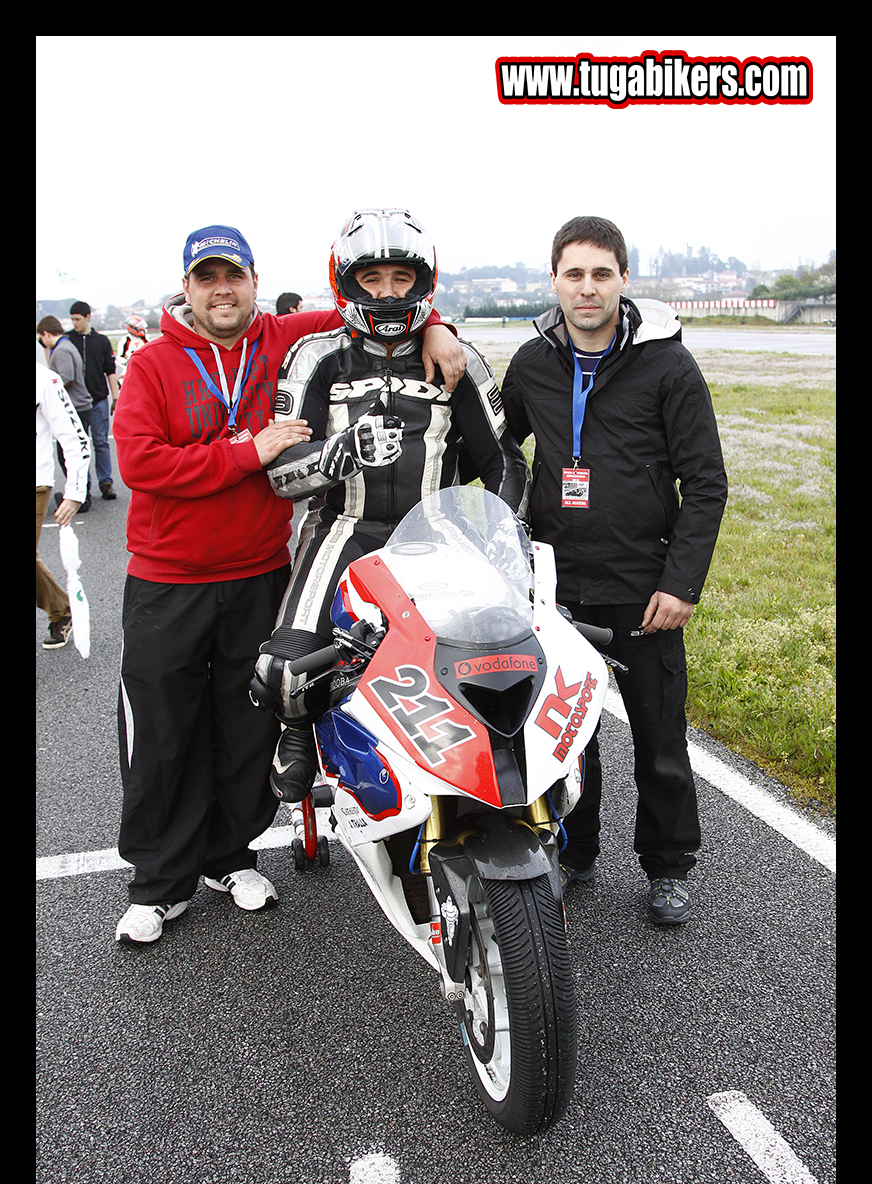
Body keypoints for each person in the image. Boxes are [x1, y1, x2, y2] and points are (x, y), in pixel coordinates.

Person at [111, 223, 466, 945]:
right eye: (206, 279)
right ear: (187, 287)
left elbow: (377, 303)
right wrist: (246, 451)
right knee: (163, 736)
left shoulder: (283, 337)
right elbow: (142, 465)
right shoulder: (153, 364)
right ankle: (157, 885)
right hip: (168, 580)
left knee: (247, 726)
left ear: (251, 281)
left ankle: (229, 857)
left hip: (259, 573)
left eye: (232, 277)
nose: (221, 291)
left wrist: (440, 327)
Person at [250, 207, 531, 804]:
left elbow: (504, 462)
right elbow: (279, 476)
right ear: (345, 281)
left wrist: (509, 535)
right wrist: (338, 454)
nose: (387, 291)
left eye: (401, 278)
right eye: (372, 278)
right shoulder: (313, 357)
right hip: (340, 530)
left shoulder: (460, 355)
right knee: (283, 673)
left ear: (424, 281)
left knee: (491, 658)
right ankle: (298, 732)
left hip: (434, 538)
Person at [501, 215, 727, 927]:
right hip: (557, 588)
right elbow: (500, 446)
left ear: (624, 279)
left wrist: (681, 583)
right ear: (554, 280)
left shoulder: (668, 365)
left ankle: (667, 869)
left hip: (645, 590)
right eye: (575, 274)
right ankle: (575, 852)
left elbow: (707, 483)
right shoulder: (532, 362)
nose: (588, 288)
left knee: (660, 742)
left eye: (602, 273)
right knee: (565, 738)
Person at [36, 362, 91, 648]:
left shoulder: (45, 380)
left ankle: (62, 610)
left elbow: (75, 438)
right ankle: (61, 608)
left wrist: (74, 492)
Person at [37, 316, 94, 511]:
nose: (41, 344)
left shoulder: (60, 351)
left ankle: (82, 495)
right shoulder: (68, 345)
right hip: (80, 403)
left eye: (41, 339)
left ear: (46, 333)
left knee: (67, 452)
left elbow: (66, 377)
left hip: (75, 404)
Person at [68, 301, 120, 500]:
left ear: (87, 317)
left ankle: (106, 482)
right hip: (75, 403)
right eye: (72, 319)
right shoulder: (67, 340)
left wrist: (115, 396)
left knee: (101, 442)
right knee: (79, 445)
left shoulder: (101, 341)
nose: (74, 323)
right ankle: (82, 485)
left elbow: (111, 371)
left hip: (98, 399)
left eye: (77, 319)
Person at [114, 314, 149, 385]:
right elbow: (119, 356)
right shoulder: (125, 339)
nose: (142, 329)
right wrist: (126, 361)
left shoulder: (147, 338)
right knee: (123, 381)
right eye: (140, 327)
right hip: (131, 367)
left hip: (146, 367)